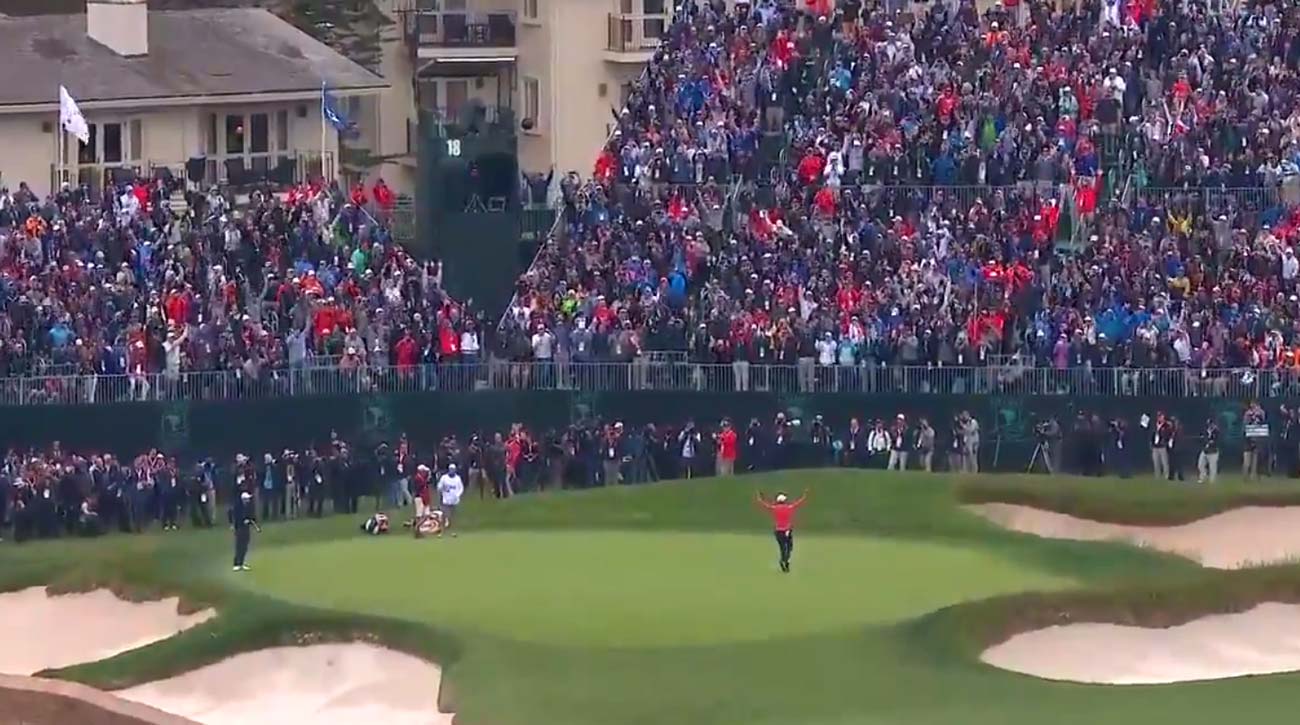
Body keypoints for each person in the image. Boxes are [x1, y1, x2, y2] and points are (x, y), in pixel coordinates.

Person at [755, 489, 808, 574]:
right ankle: (786, 561)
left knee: (782, 548)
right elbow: (798, 504)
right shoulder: (788, 507)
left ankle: (783, 560)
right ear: (784, 501)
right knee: (789, 547)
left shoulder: (775, 508)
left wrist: (760, 499)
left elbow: (765, 506)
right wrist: (804, 496)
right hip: (787, 530)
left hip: (778, 531)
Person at [229, 491, 261, 572]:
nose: (248, 500)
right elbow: (233, 516)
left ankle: (242, 563)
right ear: (243, 499)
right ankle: (236, 564)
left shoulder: (248, 507)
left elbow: (251, 517)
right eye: (247, 499)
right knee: (239, 546)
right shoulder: (238, 507)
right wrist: (241, 521)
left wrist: (251, 521)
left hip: (246, 529)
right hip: (239, 528)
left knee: (245, 547)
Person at [437, 463, 465, 537]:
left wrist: (457, 495)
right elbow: (439, 486)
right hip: (446, 499)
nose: (452, 471)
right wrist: (442, 488)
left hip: (454, 500)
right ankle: (442, 532)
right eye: (450, 469)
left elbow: (461, 488)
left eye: (453, 469)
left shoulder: (458, 478)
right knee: (444, 516)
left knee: (453, 517)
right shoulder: (444, 478)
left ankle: (453, 532)